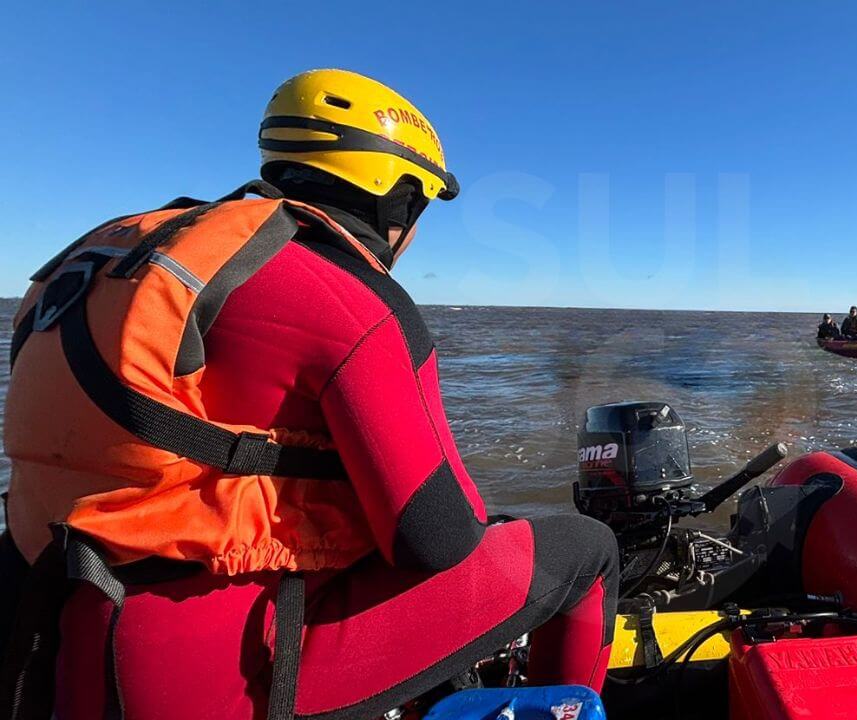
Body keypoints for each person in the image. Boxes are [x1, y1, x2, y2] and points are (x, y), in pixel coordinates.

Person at [1, 69, 618, 720]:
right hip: (222, 667)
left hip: (47, 628)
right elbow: (438, 541)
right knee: (586, 548)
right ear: (399, 201)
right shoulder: (345, 294)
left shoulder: (117, 260)